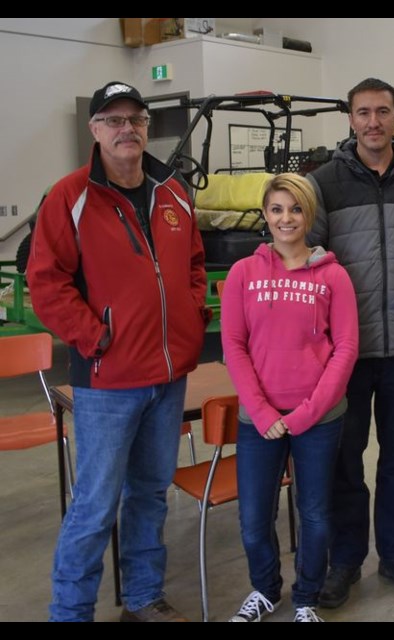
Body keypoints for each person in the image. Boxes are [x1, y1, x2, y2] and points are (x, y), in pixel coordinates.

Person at [27, 81, 209, 622]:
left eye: (134, 118)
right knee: (94, 506)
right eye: (112, 119)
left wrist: (191, 322)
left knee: (150, 493)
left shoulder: (174, 191)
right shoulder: (69, 196)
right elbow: (45, 282)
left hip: (169, 375)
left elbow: (194, 267)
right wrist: (94, 336)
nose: (125, 128)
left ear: (147, 126)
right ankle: (71, 611)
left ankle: (143, 598)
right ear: (95, 130)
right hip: (107, 380)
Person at [305, 77, 394, 607]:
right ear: (350, 119)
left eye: (382, 112)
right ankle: (345, 560)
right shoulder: (324, 183)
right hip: (345, 353)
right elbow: (307, 267)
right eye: (363, 112)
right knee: (346, 459)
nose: (373, 122)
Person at [220, 173, 359, 623]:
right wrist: (261, 412)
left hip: (317, 420)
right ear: (265, 215)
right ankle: (264, 590)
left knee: (315, 514)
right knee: (254, 517)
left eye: (295, 209)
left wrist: (306, 414)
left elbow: (346, 348)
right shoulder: (244, 273)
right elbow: (234, 347)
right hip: (258, 420)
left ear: (309, 215)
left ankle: (306, 598)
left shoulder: (334, 276)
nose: (286, 218)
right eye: (277, 209)